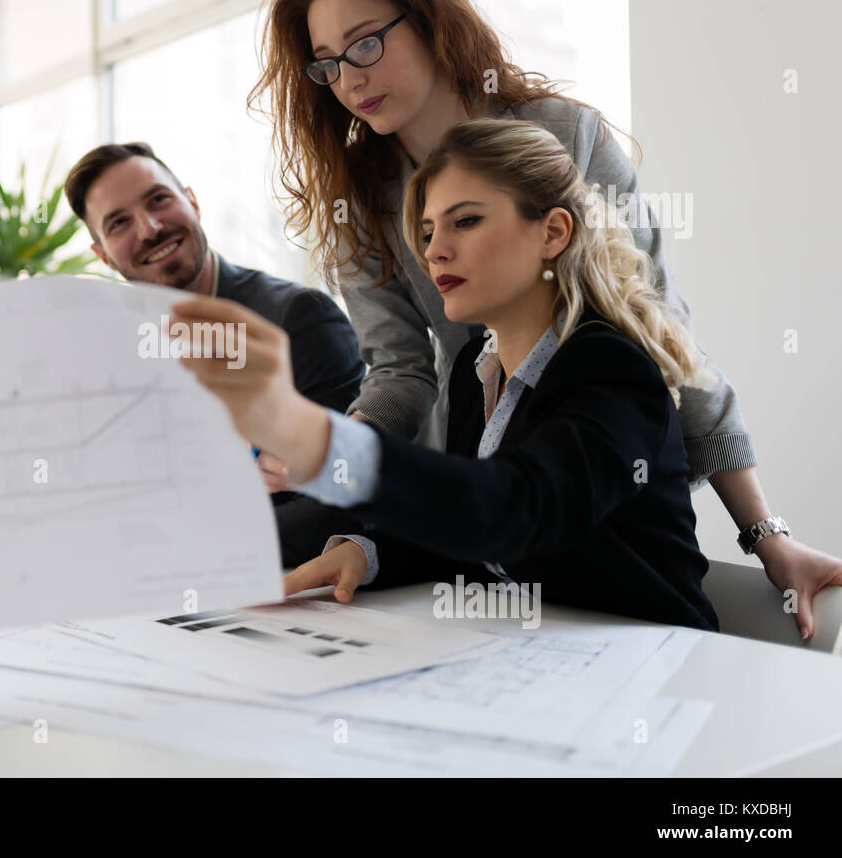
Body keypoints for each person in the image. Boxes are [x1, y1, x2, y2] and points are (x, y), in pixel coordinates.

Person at [248, 0, 842, 637]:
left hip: (583, 494)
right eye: (328, 64)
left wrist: (763, 532)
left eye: (366, 43)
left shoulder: (568, 152)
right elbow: (403, 372)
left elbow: (659, 334)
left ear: (432, 20)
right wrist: (359, 517)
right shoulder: (458, 346)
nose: (350, 79)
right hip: (486, 517)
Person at [172, 119, 720, 630]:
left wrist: (317, 439)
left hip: (652, 664)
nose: (435, 250)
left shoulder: (610, 367)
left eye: (467, 221)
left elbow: (510, 511)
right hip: (531, 649)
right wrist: (365, 551)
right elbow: (466, 526)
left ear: (553, 232)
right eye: (429, 230)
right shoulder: (471, 370)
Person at [64, 141, 367, 532]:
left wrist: (193, 543)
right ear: (103, 255)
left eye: (158, 200)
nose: (149, 229)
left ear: (192, 202)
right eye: (118, 223)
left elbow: (343, 494)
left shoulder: (299, 316)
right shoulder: (114, 359)